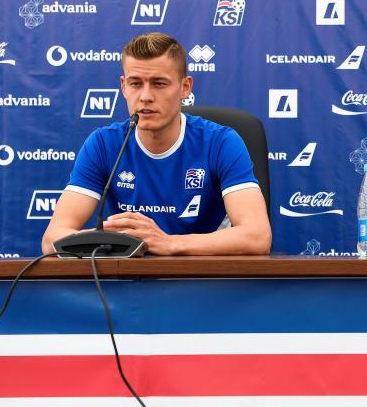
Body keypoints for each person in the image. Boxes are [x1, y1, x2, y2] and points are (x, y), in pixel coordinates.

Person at [41, 32, 271, 255]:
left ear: (185, 87)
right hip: (126, 284)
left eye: (159, 84)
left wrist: (168, 243)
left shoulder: (221, 142)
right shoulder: (103, 143)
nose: (146, 96)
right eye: (135, 83)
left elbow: (257, 236)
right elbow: (52, 240)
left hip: (202, 279)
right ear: (123, 86)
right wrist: (111, 240)